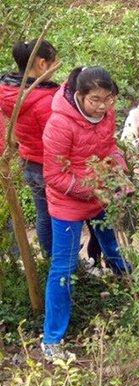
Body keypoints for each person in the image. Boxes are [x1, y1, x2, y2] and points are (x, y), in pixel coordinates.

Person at [41, 66, 129, 361]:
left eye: (108, 99)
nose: (103, 106)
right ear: (78, 95)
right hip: (68, 201)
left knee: (111, 245)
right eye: (95, 100)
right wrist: (93, 187)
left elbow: (109, 146)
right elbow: (54, 176)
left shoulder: (107, 114)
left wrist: (119, 165)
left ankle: (129, 286)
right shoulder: (59, 124)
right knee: (62, 269)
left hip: (99, 192)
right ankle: (52, 339)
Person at [0, 39, 59, 256]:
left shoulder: (8, 90)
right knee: (60, 215)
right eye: (54, 61)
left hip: (28, 162)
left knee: (43, 214)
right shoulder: (45, 98)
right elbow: (56, 136)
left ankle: (47, 256)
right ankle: (59, 261)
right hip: (49, 165)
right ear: (42, 64)